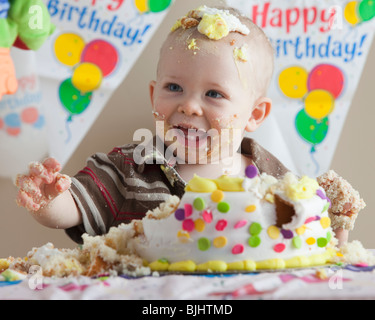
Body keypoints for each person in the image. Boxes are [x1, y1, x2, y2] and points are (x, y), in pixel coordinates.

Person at [15, 6, 359, 246]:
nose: (189, 105)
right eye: (174, 88)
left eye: (214, 93)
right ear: (154, 96)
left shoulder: (273, 179)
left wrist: (336, 228)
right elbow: (74, 208)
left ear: (254, 114)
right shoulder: (126, 169)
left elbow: (309, 243)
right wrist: (50, 200)